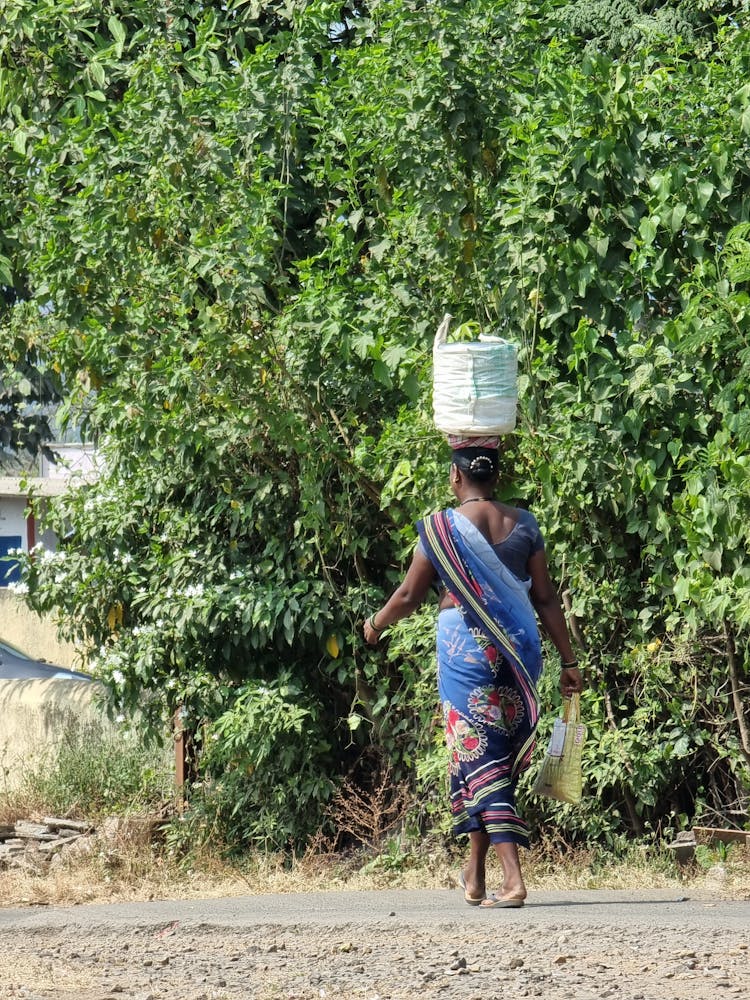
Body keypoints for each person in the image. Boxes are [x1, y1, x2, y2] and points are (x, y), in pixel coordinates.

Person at [363, 442, 583, 908]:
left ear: (454, 478)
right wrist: (569, 660)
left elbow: (407, 595)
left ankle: (513, 879)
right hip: (518, 654)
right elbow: (545, 599)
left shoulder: (441, 529)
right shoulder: (525, 524)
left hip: (465, 652)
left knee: (478, 755)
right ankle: (475, 874)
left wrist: (375, 624)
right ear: (495, 478)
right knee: (489, 757)